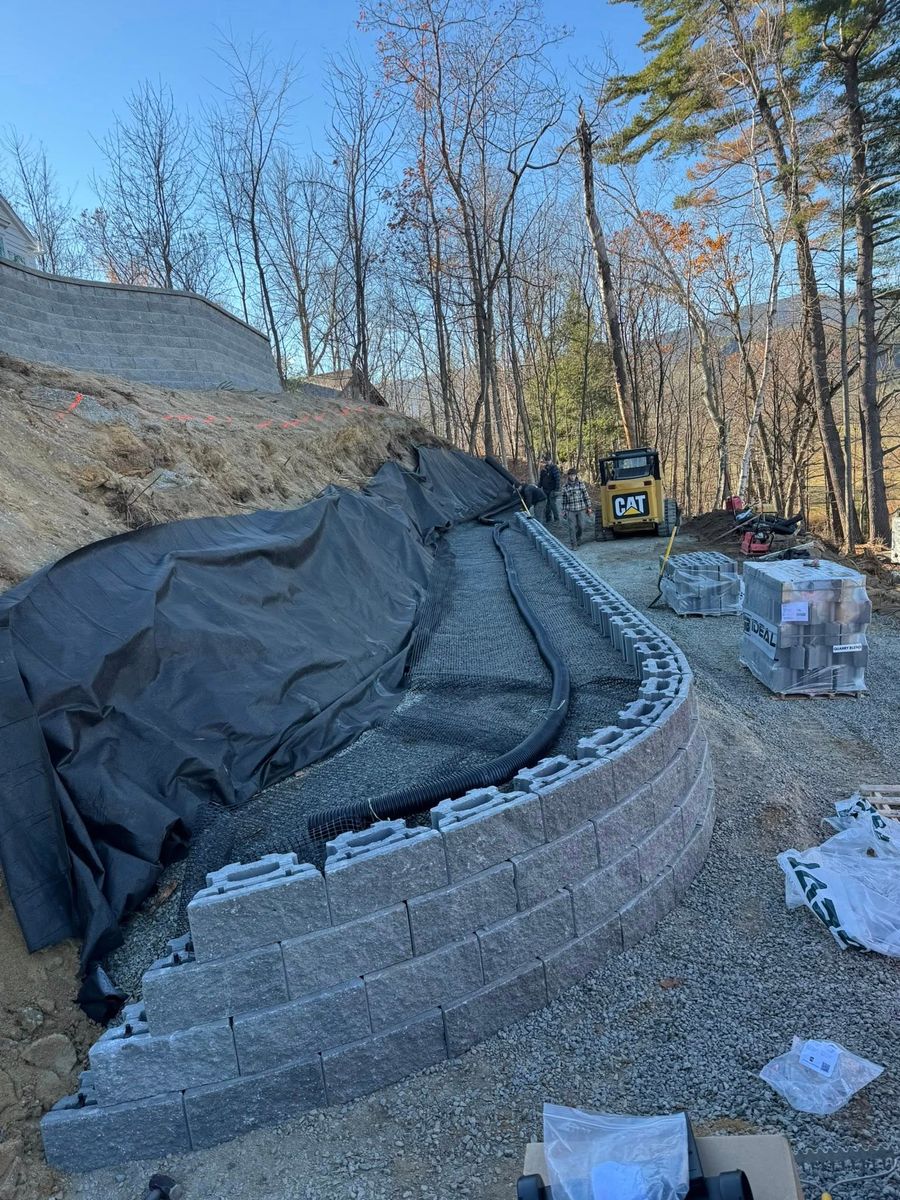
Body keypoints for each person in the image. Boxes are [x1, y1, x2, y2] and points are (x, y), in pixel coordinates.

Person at [561, 466, 592, 548]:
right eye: (571, 475)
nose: (572, 477)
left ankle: (578, 539)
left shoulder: (581, 484)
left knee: (581, 526)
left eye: (574, 475)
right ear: (568, 476)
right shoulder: (565, 487)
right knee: (572, 528)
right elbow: (564, 500)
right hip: (570, 510)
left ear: (576, 476)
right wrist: (563, 510)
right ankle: (573, 544)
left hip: (581, 509)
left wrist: (588, 507)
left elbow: (586, 496)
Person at [537, 454, 561, 524]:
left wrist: (556, 489)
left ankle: (557, 519)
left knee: (553, 504)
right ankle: (548, 518)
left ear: (551, 460)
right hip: (545, 489)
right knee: (546, 504)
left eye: (548, 460)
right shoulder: (543, 470)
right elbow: (541, 479)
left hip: (552, 490)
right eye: (546, 461)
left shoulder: (554, 468)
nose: (547, 462)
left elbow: (558, 479)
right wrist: (538, 486)